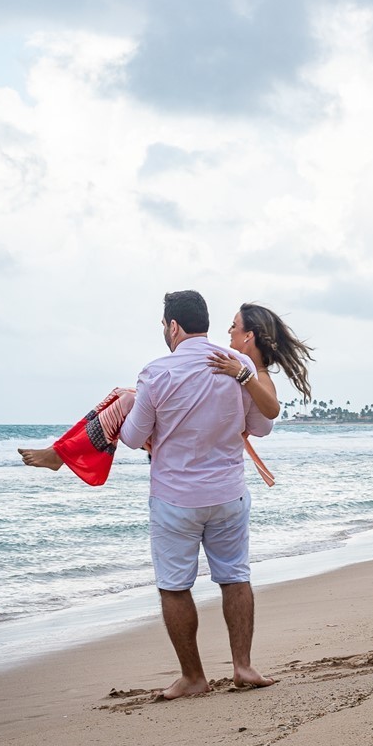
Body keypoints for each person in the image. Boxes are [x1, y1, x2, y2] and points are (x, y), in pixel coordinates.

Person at [117, 290, 275, 699]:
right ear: (204, 322)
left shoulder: (156, 373)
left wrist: (130, 403)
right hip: (228, 494)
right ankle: (242, 666)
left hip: (175, 499)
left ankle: (193, 677)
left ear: (173, 326)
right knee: (235, 577)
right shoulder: (237, 364)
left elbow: (134, 438)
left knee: (174, 587)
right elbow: (261, 427)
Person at [17, 302, 313, 485]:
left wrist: (242, 374)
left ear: (248, 336)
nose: (228, 332)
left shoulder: (252, 373)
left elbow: (267, 419)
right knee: (126, 397)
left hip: (194, 452)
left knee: (126, 398)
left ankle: (61, 454)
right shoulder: (231, 365)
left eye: (234, 327)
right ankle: (61, 452)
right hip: (203, 452)